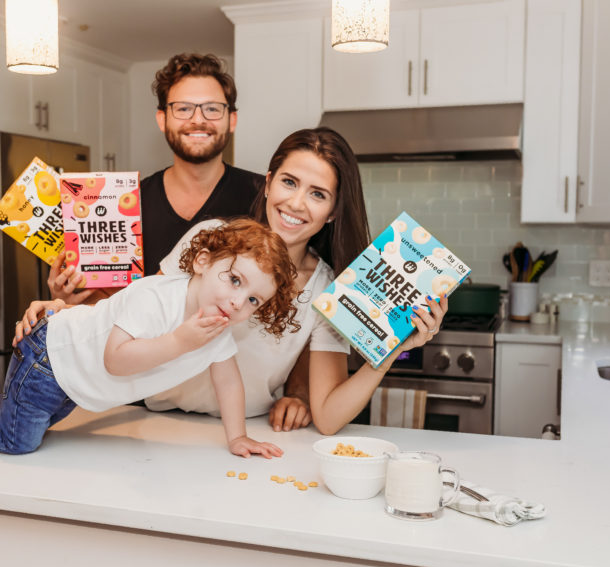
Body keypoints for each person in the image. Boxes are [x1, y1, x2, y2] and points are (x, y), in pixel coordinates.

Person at [0, 219, 297, 457]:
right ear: (203, 262)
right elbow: (116, 359)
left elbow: (227, 381)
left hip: (78, 380)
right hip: (51, 357)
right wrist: (179, 341)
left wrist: (237, 437)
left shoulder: (217, 329)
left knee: (42, 419)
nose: (236, 301)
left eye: (252, 299)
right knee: (19, 439)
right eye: (234, 279)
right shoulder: (156, 299)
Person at [144, 128, 448, 435]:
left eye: (318, 194)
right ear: (267, 184)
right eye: (289, 182)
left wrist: (389, 353)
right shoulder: (213, 238)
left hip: (252, 436)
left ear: (332, 212)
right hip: (154, 425)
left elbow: (328, 418)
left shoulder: (330, 289)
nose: (296, 203)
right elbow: (141, 312)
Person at [48, 53, 262, 298]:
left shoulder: (264, 197)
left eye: (212, 109)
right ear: (162, 119)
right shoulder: (122, 207)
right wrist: (67, 300)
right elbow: (109, 304)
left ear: (231, 120)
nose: (198, 120)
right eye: (183, 108)